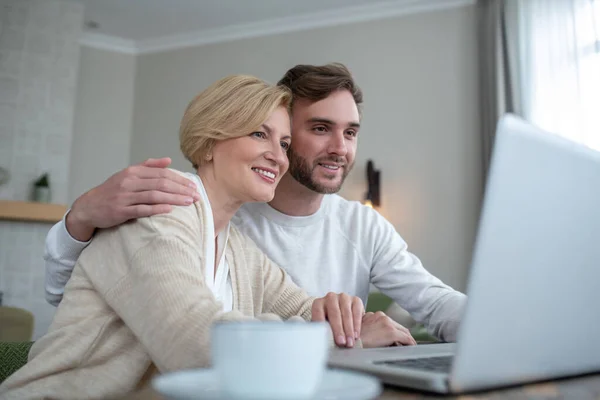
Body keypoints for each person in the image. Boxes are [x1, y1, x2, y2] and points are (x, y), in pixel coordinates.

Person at [45, 63, 466, 345]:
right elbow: (80, 294)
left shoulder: (238, 242)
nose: (340, 148)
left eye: (351, 133)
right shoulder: (182, 208)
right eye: (320, 128)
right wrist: (79, 219)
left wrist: (508, 330)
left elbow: (431, 301)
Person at [0, 75, 366, 400]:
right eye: (259, 133)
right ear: (208, 143)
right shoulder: (159, 212)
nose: (277, 157)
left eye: (284, 144)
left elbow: (303, 307)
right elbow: (196, 343)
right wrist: (331, 336)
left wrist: (348, 320)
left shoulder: (237, 247)